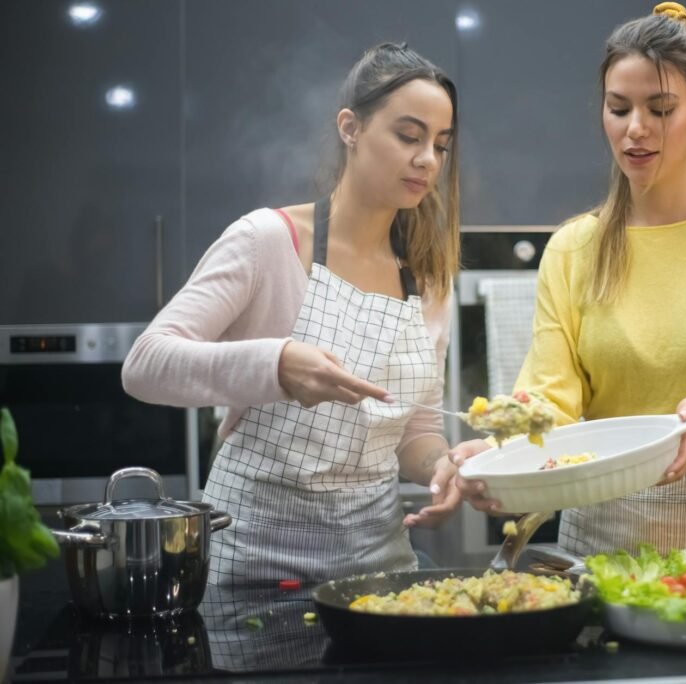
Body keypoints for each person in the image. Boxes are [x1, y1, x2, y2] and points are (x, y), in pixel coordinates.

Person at [453, 2, 686, 557]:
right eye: (618, 109)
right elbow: (551, 397)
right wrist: (502, 454)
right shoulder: (575, 247)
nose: (635, 130)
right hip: (597, 541)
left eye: (660, 109)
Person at [122, 43, 462, 584]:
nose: (427, 160)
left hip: (377, 569)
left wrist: (440, 465)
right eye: (408, 135)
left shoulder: (428, 275)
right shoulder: (265, 241)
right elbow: (145, 365)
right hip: (251, 564)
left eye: (440, 145)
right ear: (350, 128)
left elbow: (416, 426)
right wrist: (276, 364)